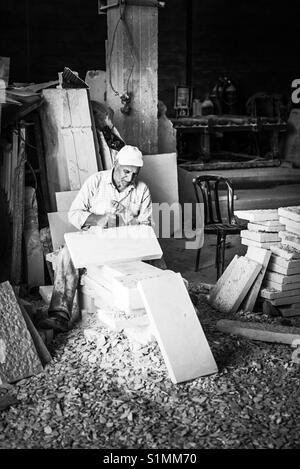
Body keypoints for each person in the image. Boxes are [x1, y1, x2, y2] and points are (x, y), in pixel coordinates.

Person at [39, 145, 166, 333]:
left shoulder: (142, 190)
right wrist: (99, 219)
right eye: (126, 171)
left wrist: (127, 219)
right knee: (67, 254)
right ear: (115, 163)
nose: (129, 178)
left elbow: (146, 228)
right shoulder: (96, 182)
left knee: (157, 255)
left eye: (134, 173)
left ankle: (169, 301)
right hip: (95, 239)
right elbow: (74, 214)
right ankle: (60, 315)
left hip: (126, 242)